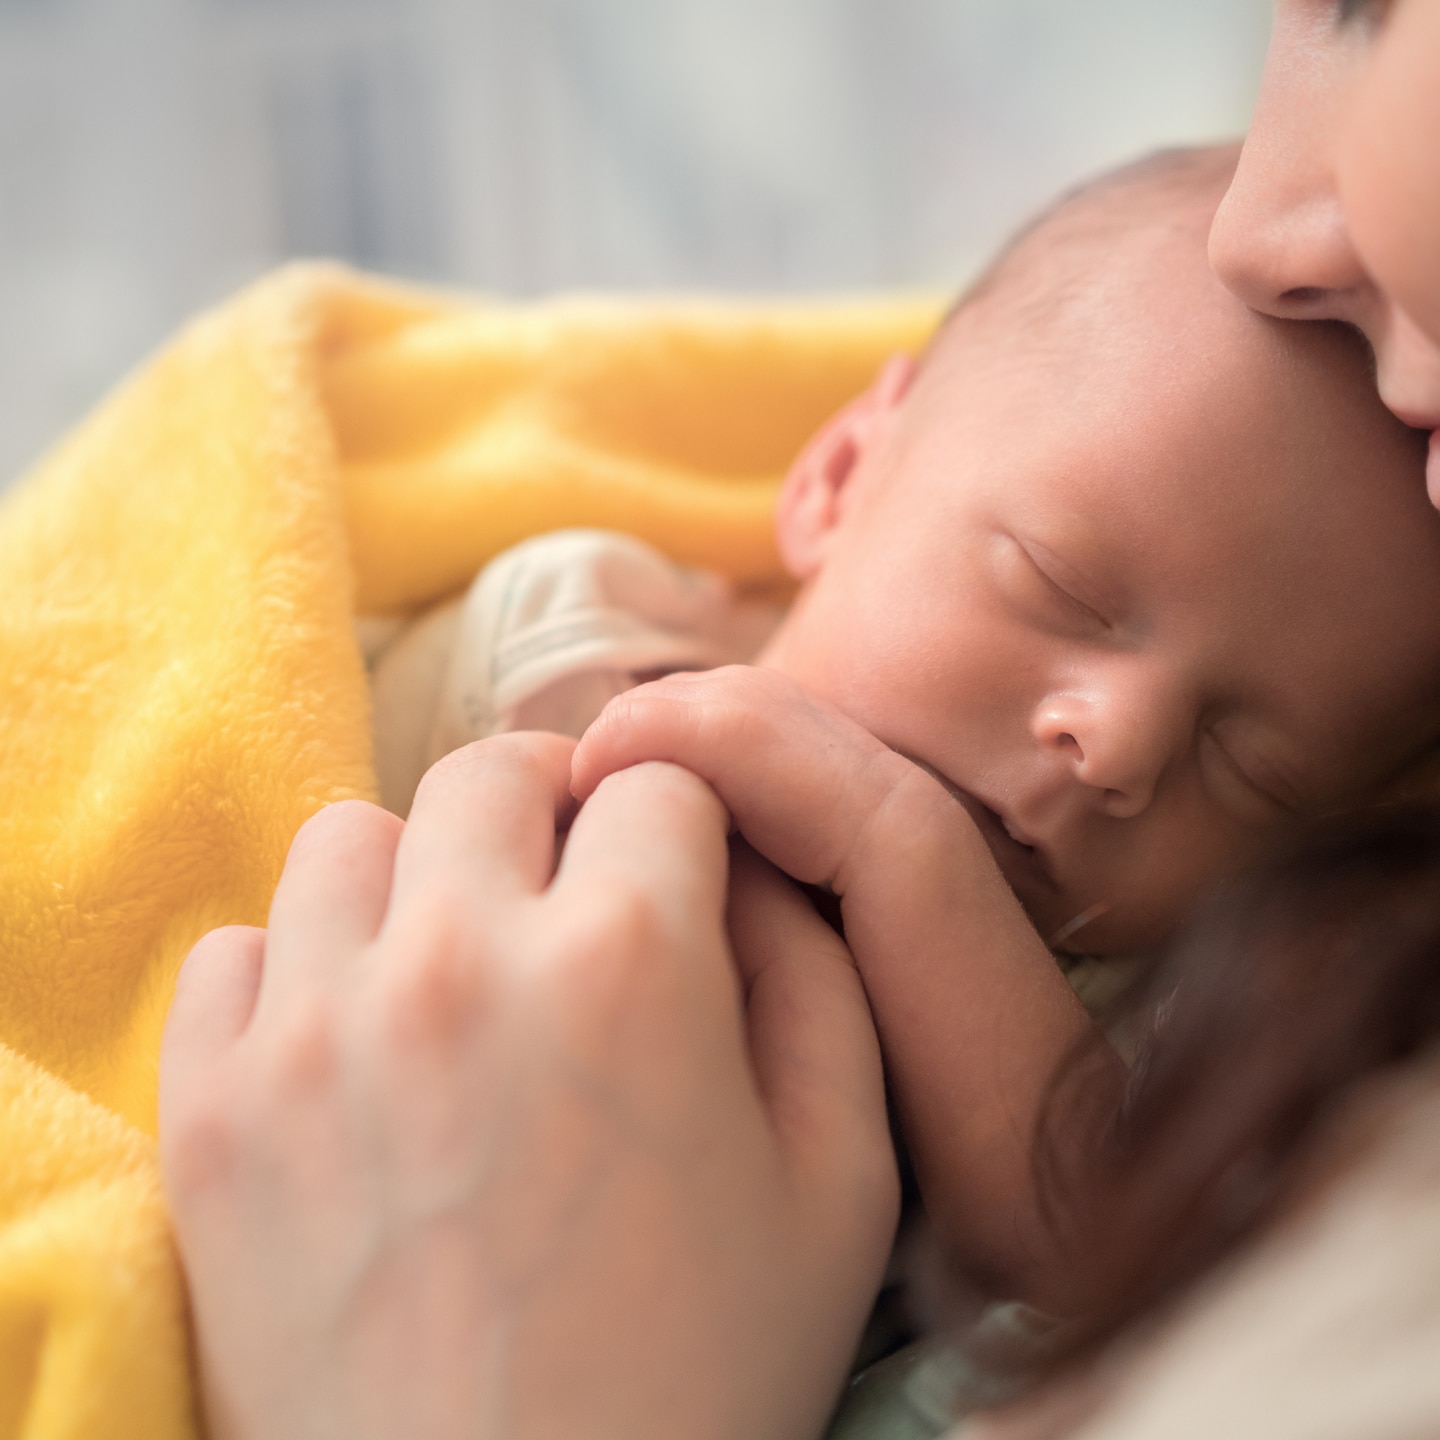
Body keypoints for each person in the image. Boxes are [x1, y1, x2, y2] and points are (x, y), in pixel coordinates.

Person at [159, 107, 1440, 1440]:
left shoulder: (1154, 1008)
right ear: (839, 473)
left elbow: (1092, 1250)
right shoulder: (582, 638)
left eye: (1252, 764)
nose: (1114, 741)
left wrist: (898, 844)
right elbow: (282, 797)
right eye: (1060, 584)